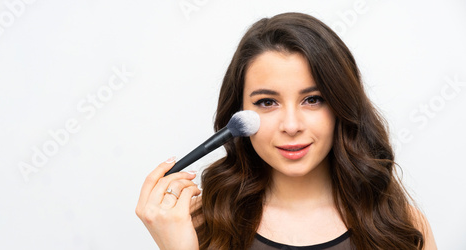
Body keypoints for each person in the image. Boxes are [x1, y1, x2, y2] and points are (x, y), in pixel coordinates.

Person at [136, 12, 437, 250]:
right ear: (237, 113)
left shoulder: (399, 224)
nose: (291, 126)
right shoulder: (200, 224)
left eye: (313, 100)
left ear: (341, 106)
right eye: (267, 102)